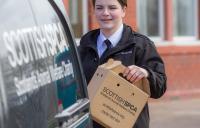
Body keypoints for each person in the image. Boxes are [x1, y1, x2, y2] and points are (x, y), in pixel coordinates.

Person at [79, 0, 167, 127]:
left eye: (112, 8)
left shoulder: (141, 45)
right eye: (99, 8)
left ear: (124, 11)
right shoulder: (84, 44)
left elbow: (160, 86)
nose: (105, 13)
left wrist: (146, 73)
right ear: (94, 11)